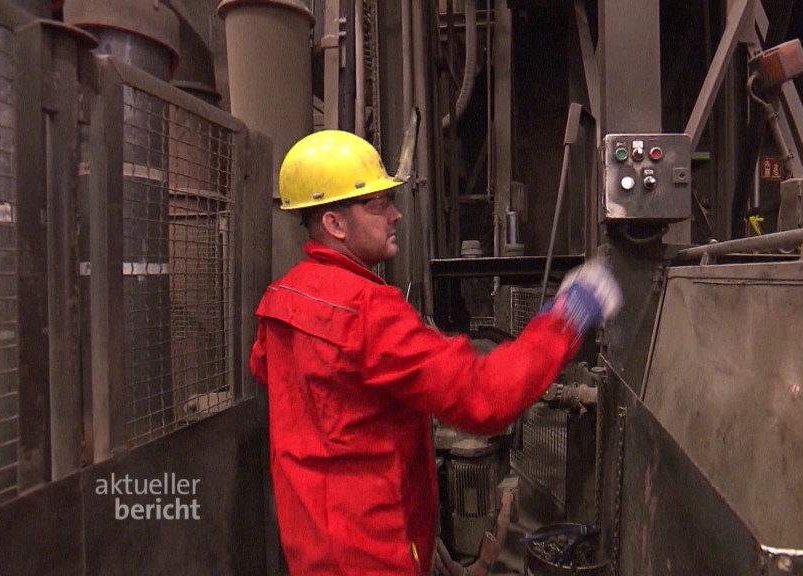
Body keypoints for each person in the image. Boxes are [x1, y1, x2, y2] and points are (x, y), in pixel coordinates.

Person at [249, 129, 623, 575]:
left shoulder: (281, 297)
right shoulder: (367, 310)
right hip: (373, 554)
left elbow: (276, 375)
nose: (395, 215)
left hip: (311, 542)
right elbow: (484, 397)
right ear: (334, 224)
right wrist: (567, 318)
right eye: (378, 204)